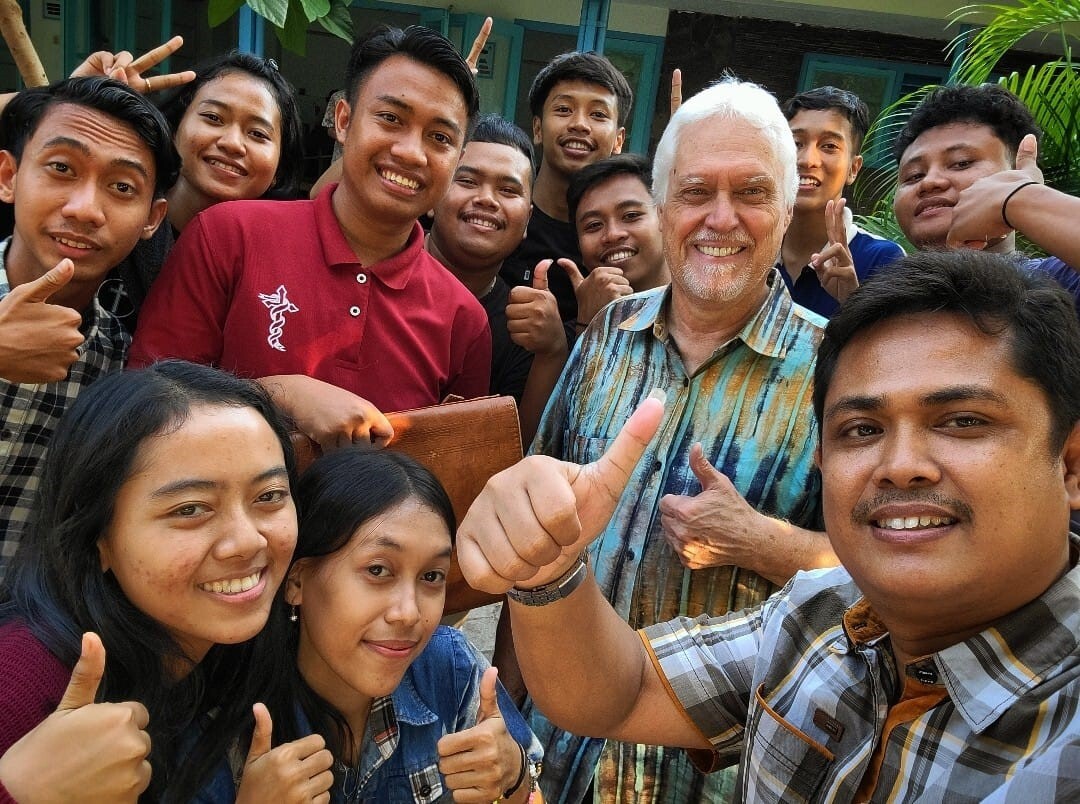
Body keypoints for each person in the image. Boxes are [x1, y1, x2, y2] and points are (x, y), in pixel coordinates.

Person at [457, 248, 1080, 803]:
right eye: (862, 430)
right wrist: (551, 568)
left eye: (962, 421)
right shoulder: (818, 618)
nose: (901, 466)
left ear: (1070, 464)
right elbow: (617, 692)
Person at [506, 78, 833, 803]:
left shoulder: (843, 372)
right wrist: (506, 704)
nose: (721, 218)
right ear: (663, 207)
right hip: (562, 757)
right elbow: (536, 542)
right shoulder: (606, 341)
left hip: (720, 773)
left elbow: (896, 578)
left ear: (785, 211)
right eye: (695, 192)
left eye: (751, 191)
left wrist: (765, 544)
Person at [128, 25, 490, 451]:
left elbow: (451, 468)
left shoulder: (464, 320)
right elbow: (145, 405)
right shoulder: (228, 235)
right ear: (343, 120)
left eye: (440, 138)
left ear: (458, 159)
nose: (411, 152)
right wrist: (282, 395)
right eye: (391, 118)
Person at [0, 360, 308, 803]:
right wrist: (24, 793)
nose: (246, 540)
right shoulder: (20, 677)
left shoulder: (234, 654)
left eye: (269, 496)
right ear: (97, 536)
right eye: (189, 509)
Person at [203, 448, 542, 803]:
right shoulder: (225, 722)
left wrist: (515, 776)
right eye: (378, 570)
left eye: (431, 576)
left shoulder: (449, 669)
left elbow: (533, 791)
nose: (408, 613)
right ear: (297, 582)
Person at [0, 76, 178, 578]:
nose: (84, 209)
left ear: (151, 218)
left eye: (122, 188)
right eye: (61, 169)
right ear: (8, 176)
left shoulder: (123, 367)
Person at [103, 51, 304, 331]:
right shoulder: (109, 219)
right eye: (213, 118)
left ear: (279, 168)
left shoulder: (285, 267)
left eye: (257, 133)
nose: (233, 143)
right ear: (174, 129)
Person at [426, 113, 566, 443]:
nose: (487, 199)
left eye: (507, 189)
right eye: (468, 181)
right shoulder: (378, 266)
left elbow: (513, 451)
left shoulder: (522, 325)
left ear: (527, 220)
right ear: (433, 196)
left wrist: (552, 352)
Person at [891, 83, 1080, 305]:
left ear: (1018, 174)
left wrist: (1019, 199)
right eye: (914, 176)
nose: (930, 182)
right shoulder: (882, 292)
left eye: (962, 163)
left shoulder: (1062, 282)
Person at [498, 51, 632, 327]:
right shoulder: (497, 214)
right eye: (563, 109)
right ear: (537, 128)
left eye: (597, 114)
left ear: (618, 140)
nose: (579, 124)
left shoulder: (625, 239)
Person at [778, 86, 903, 317]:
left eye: (829, 146)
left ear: (853, 169)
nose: (807, 160)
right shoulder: (752, 248)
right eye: (796, 143)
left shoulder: (882, 260)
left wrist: (851, 302)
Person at [565, 153, 669, 331]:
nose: (612, 235)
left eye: (631, 216)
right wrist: (589, 323)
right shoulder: (569, 338)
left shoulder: (715, 311)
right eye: (594, 225)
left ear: (666, 218)